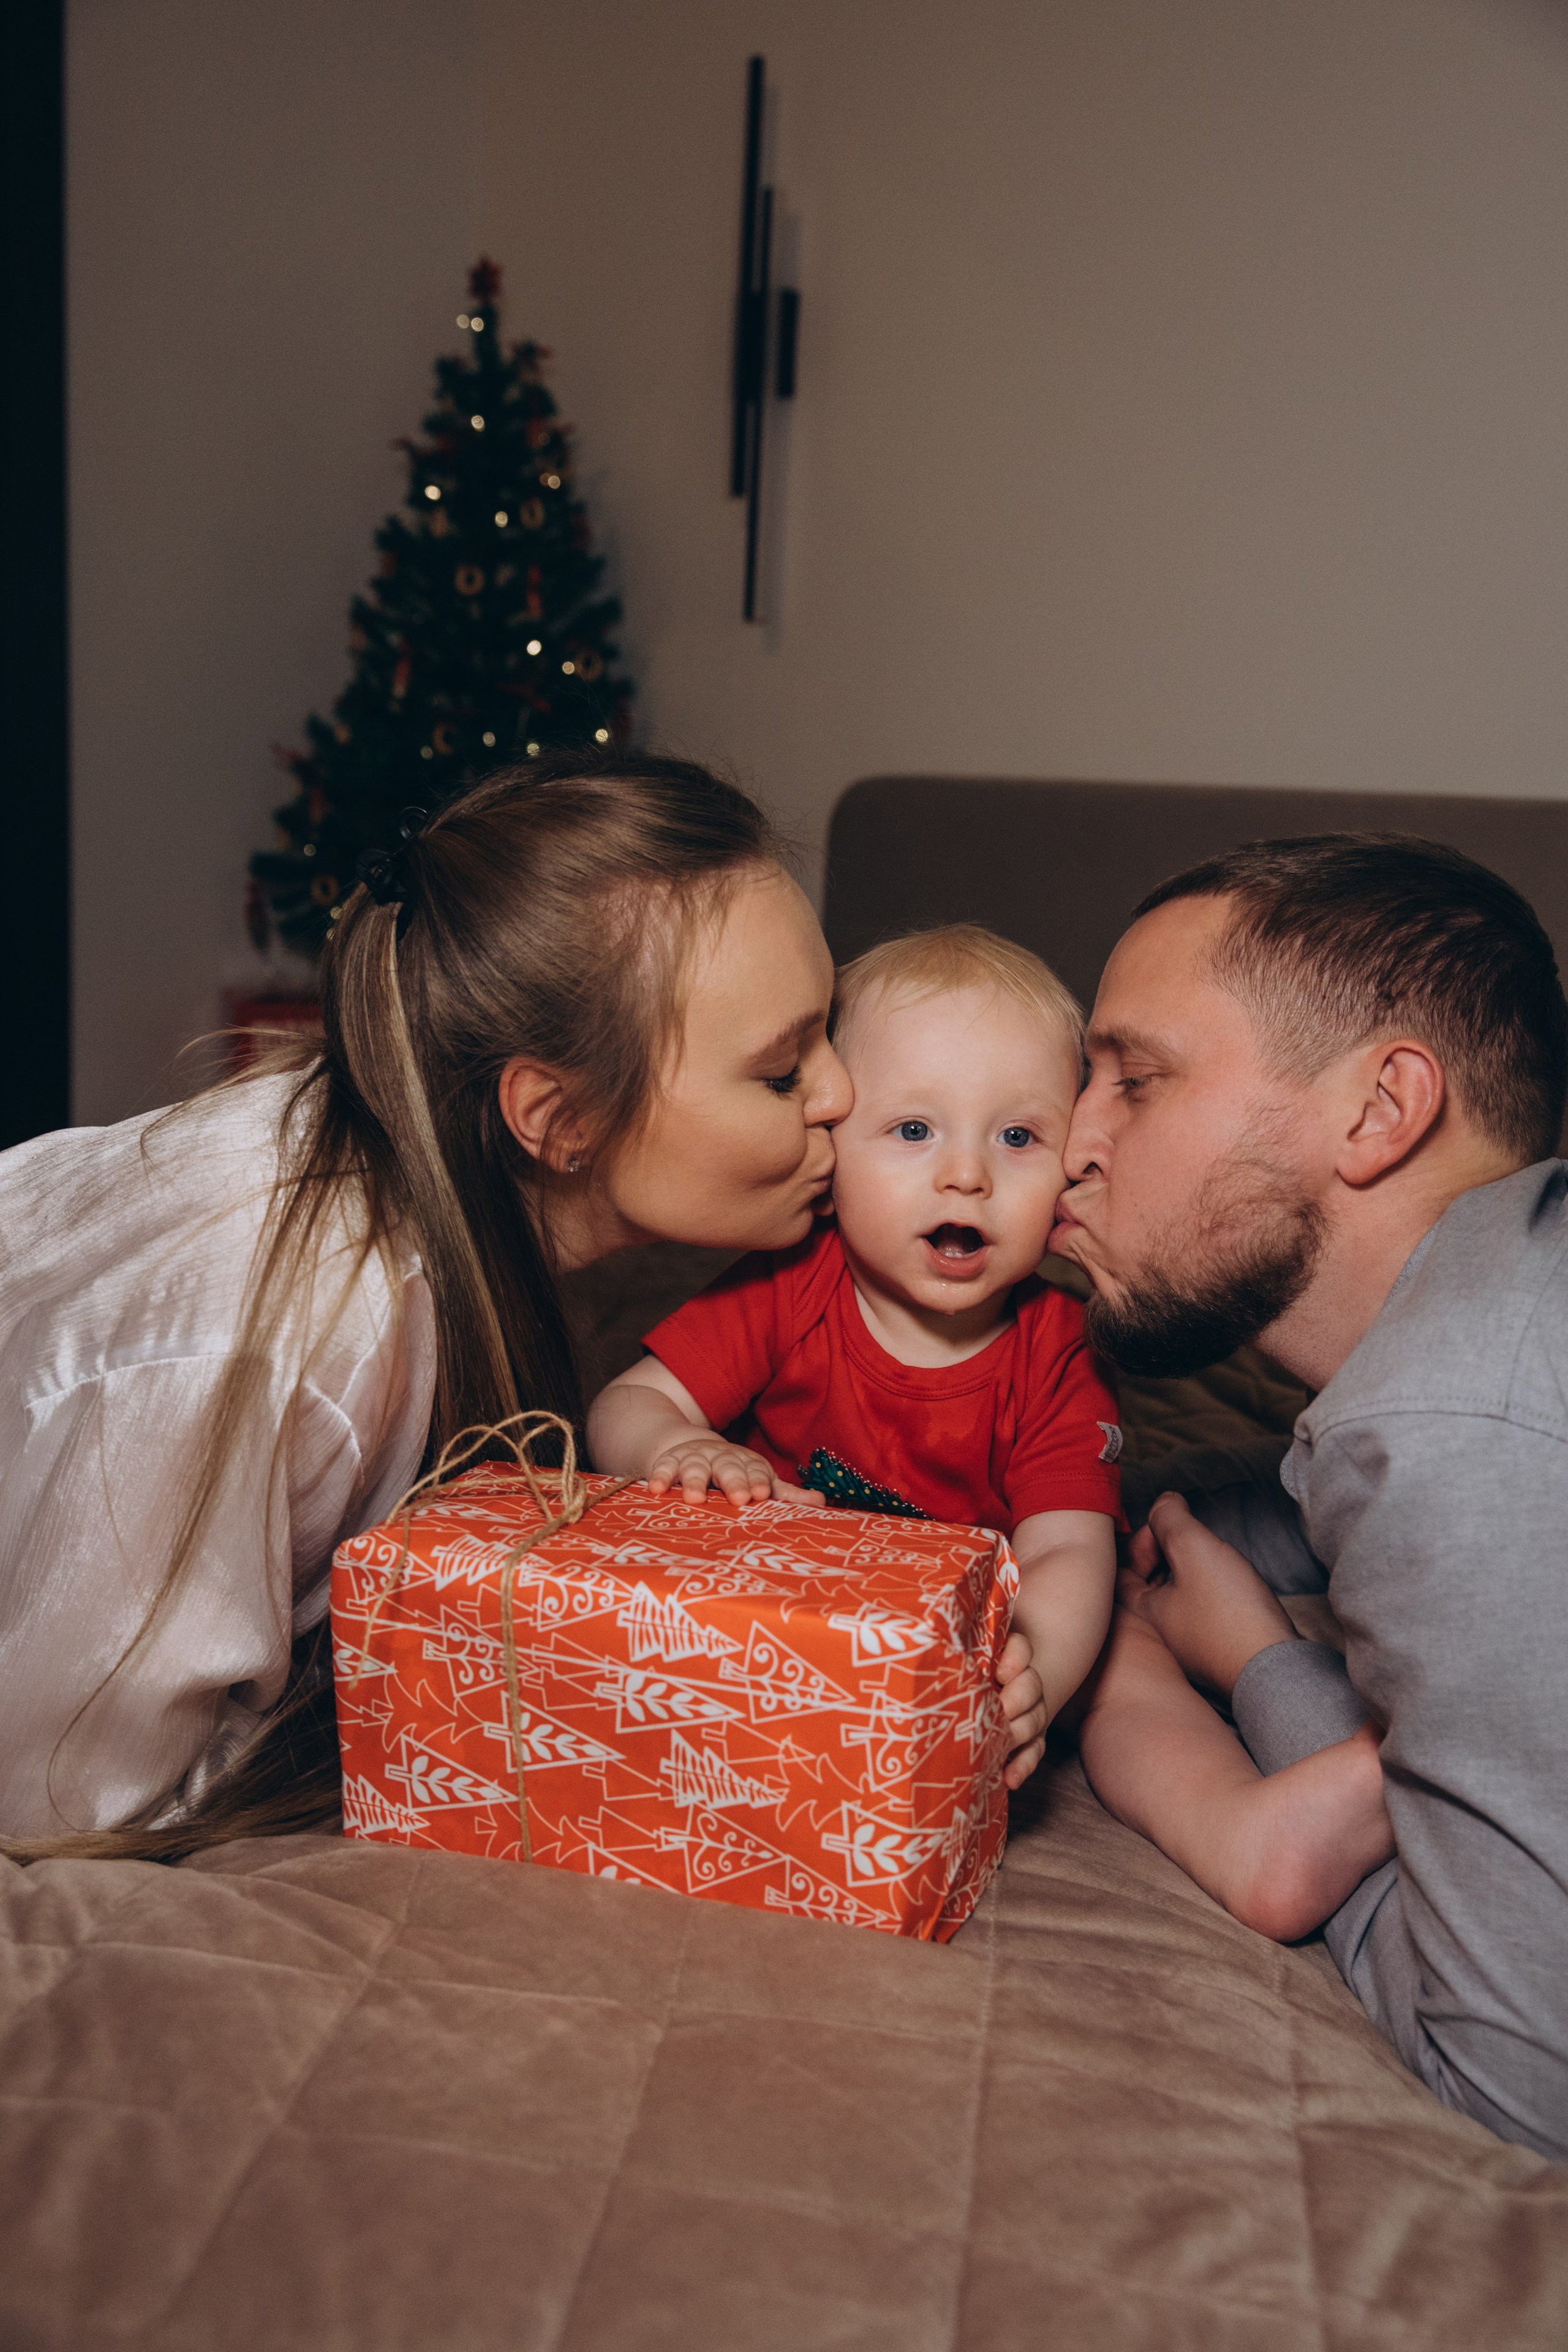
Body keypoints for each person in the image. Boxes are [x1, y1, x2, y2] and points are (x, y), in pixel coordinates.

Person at [0, 752, 946, 1856]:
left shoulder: (442, 1201)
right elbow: (66, 1796)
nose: (842, 1094)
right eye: (783, 1073)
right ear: (554, 1118)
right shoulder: (289, 1329)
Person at [1048, 832, 1568, 2162]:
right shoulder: (1489, 1312)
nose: (1065, 1149)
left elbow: (1515, 2076)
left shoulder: (1450, 1425)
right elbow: (1244, 1518)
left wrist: (1267, 1668)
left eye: (1135, 1083)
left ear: (1377, 1111)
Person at [589, 926, 1122, 1789]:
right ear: (830, 1157)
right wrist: (676, 1448)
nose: (967, 1176)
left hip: (925, 1663)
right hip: (759, 1618)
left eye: (1019, 1139)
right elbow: (623, 1405)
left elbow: (1068, 1550)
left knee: (1130, 1689)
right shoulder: (788, 1284)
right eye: (913, 1128)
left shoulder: (1063, 1349)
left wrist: (1038, 1674)